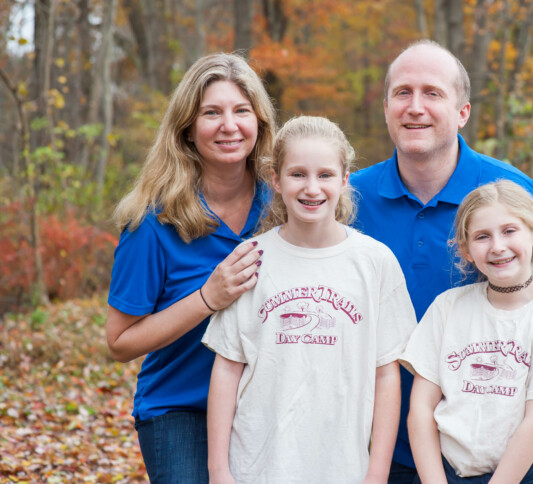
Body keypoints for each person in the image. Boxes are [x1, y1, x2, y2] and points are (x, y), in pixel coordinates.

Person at [349, 40, 533, 484]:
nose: (415, 107)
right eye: (403, 93)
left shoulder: (512, 195)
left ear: (463, 112)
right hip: (386, 447)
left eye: (433, 93)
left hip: (512, 455)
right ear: (386, 108)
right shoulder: (349, 199)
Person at [202, 116, 417, 483]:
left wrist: (377, 474)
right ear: (276, 179)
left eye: (326, 175)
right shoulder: (251, 258)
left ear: (345, 180)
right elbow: (227, 368)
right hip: (257, 466)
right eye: (298, 174)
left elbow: (386, 375)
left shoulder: (375, 263)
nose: (312, 188)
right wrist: (218, 469)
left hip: (344, 468)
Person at [106, 52, 277, 483]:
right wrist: (207, 298)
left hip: (267, 405)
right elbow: (121, 342)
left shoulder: (283, 209)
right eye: (211, 113)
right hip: (181, 409)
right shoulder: (151, 222)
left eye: (242, 111)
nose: (229, 125)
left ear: (259, 123)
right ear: (186, 129)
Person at [402, 180, 533, 483]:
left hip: (524, 472)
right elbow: (421, 408)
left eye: (510, 231)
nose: (498, 246)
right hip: (447, 472)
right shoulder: (447, 308)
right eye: (482, 236)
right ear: (467, 250)